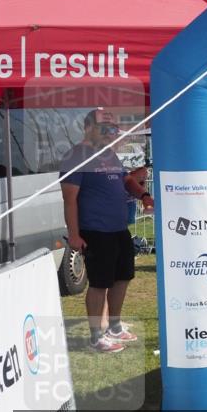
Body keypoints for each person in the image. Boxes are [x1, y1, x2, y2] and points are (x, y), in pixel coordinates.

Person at [61, 109, 151, 353]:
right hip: (95, 230)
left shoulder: (109, 154)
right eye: (105, 128)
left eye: (114, 129)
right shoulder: (76, 156)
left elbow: (125, 181)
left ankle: (114, 326)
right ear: (88, 127)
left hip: (119, 229)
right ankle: (96, 336)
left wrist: (144, 195)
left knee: (123, 278)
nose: (111, 133)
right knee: (100, 283)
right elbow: (70, 199)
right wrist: (74, 235)